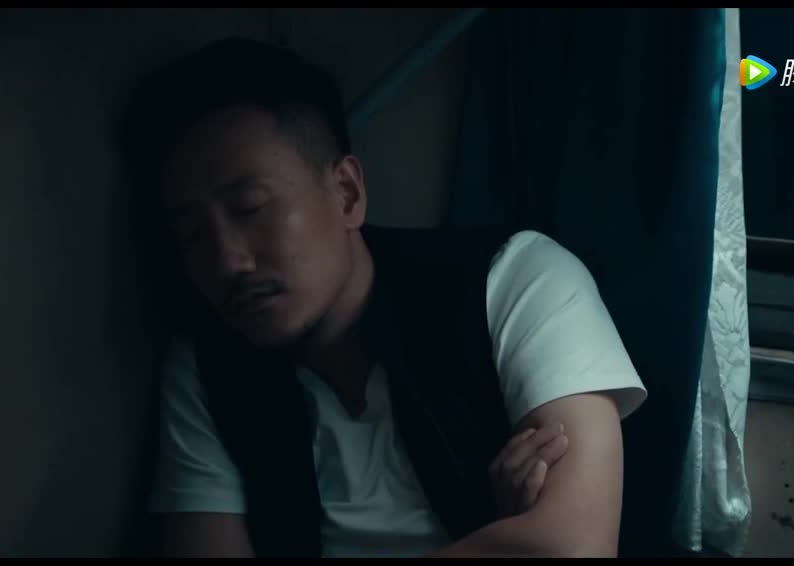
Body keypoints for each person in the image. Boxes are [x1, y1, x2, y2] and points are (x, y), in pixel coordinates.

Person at [119, 36, 647, 558]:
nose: (228, 261)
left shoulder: (516, 277)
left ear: (347, 193)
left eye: (251, 209)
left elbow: (573, 546)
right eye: (192, 233)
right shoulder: (205, 366)